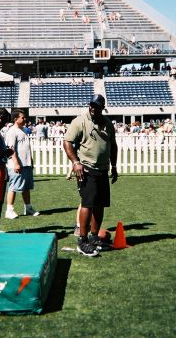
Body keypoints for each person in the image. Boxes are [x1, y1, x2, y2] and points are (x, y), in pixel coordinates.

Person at [63, 94, 118, 257]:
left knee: (100, 204)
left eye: (97, 106)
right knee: (87, 203)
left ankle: (94, 238)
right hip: (86, 168)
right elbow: (67, 142)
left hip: (102, 169)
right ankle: (82, 240)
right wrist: (75, 162)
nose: (93, 108)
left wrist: (114, 166)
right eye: (91, 105)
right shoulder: (80, 121)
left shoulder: (108, 124)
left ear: (102, 108)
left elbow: (113, 146)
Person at [4, 109, 39, 219]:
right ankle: (9, 210)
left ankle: (28, 208)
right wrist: (16, 163)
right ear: (15, 119)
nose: (25, 119)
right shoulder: (12, 131)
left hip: (26, 163)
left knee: (26, 187)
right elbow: (11, 149)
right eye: (22, 117)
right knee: (13, 187)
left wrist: (31, 160)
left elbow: (26, 147)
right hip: (17, 164)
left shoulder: (23, 130)